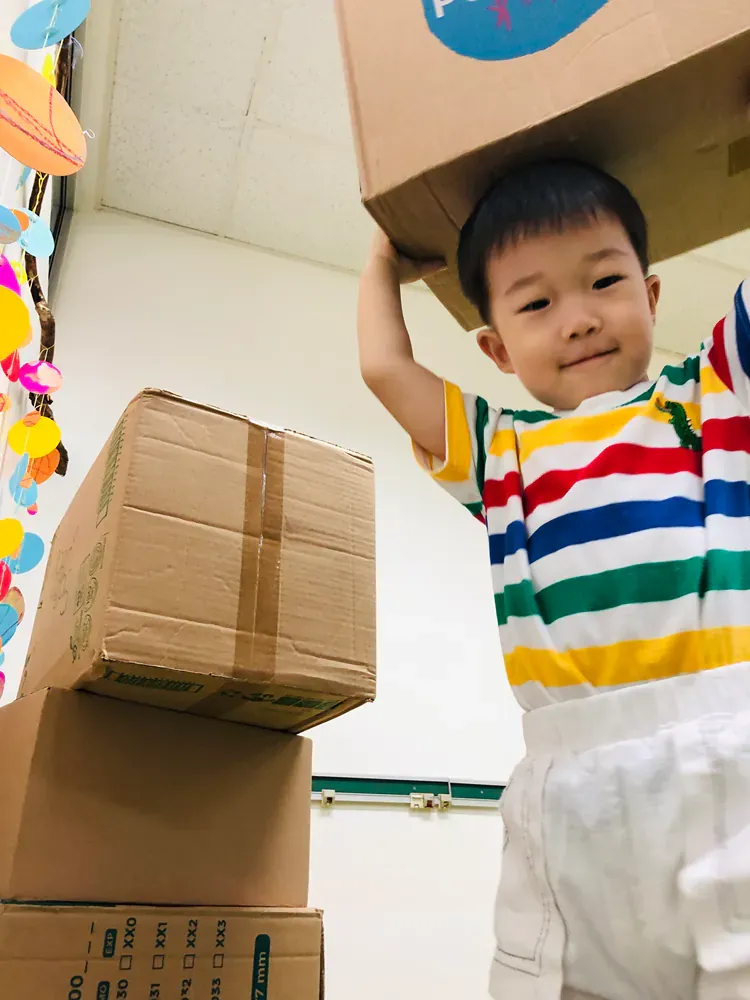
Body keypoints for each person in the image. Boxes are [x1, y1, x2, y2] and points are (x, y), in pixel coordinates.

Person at [357, 158, 750, 1000]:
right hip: (570, 775)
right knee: (561, 978)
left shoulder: (712, 393)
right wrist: (385, 258)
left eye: (604, 282)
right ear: (496, 347)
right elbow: (387, 371)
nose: (577, 319)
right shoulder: (502, 449)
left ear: (650, 296)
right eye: (536, 303)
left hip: (726, 735)